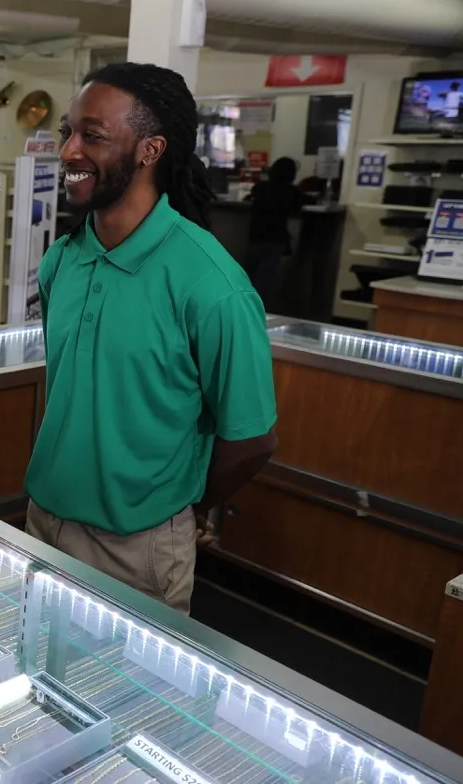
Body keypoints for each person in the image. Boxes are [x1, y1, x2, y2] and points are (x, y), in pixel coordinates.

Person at [25, 62, 279, 615]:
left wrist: (182, 508)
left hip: (137, 549)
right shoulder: (62, 261)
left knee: (126, 701)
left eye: (92, 135)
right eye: (68, 131)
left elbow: (251, 439)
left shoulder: (211, 285)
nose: (68, 150)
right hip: (42, 519)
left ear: (150, 150)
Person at [244, 157, 312, 303]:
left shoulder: (260, 188)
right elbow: (310, 201)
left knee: (246, 277)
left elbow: (248, 198)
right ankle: (256, 313)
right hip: (276, 239)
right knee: (263, 281)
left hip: (256, 237)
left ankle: (239, 310)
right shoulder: (291, 192)